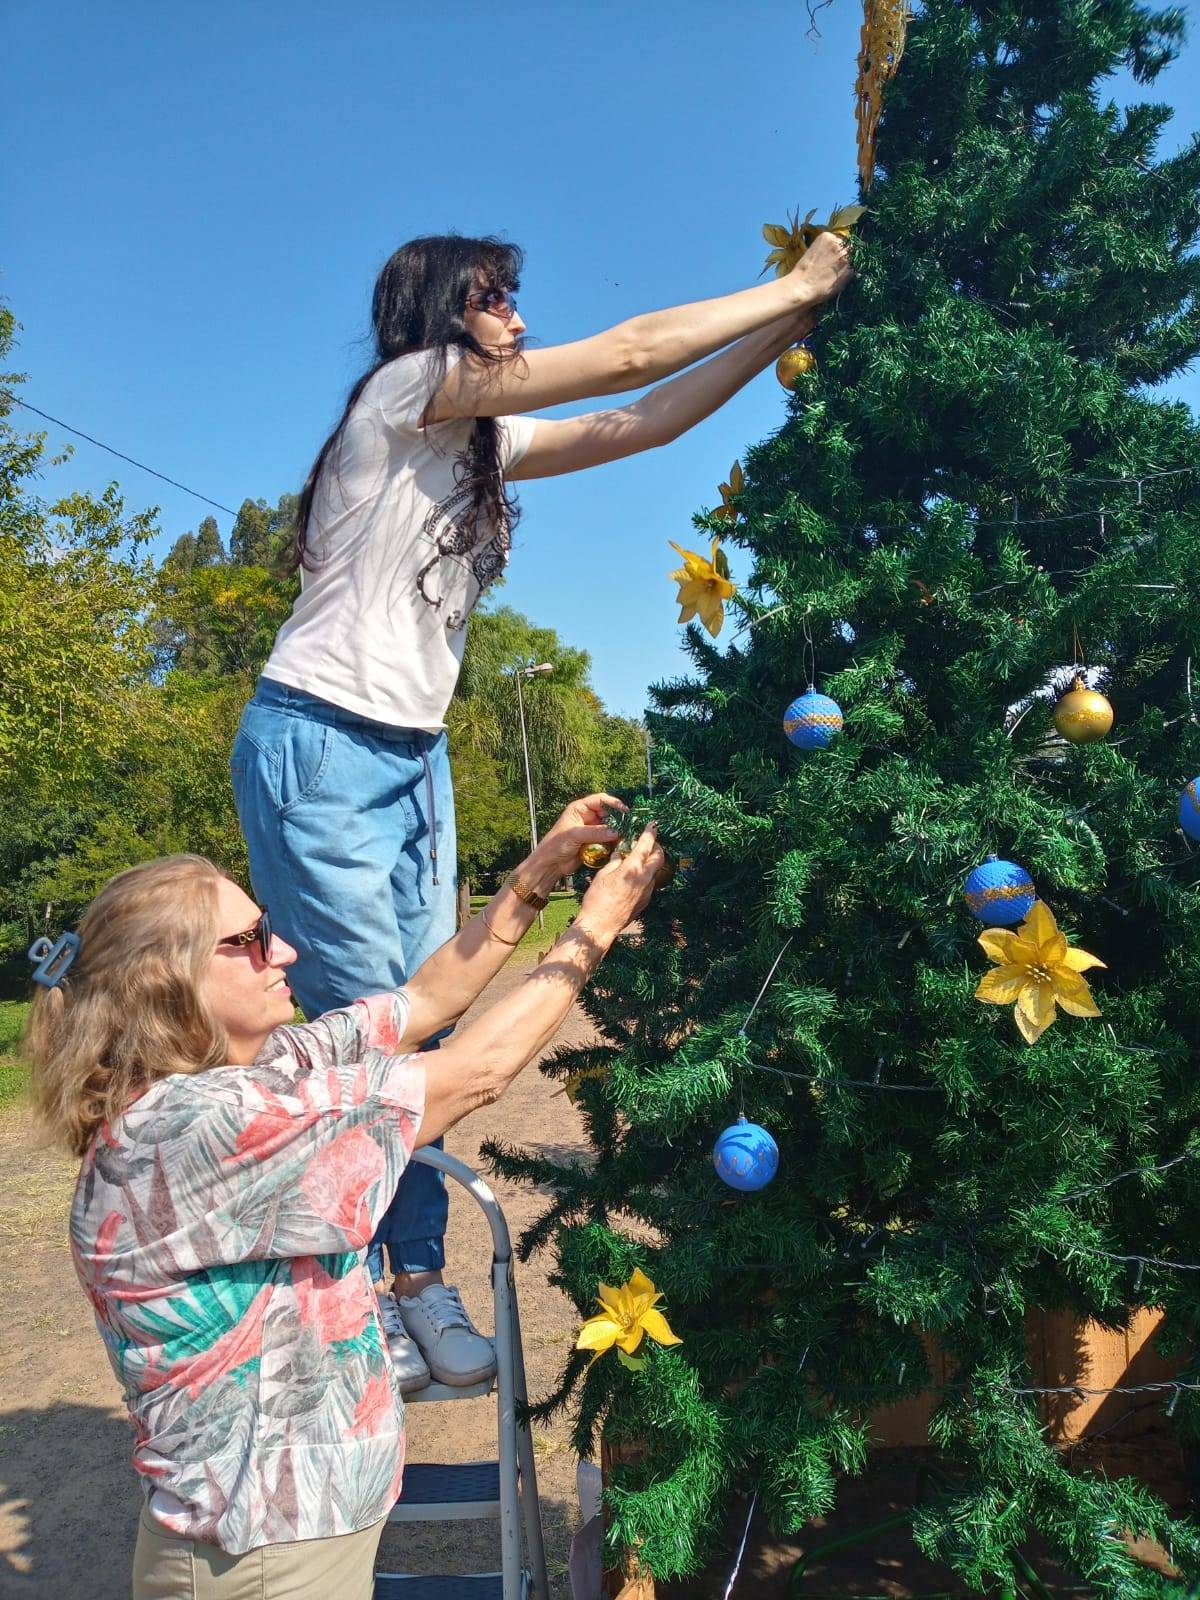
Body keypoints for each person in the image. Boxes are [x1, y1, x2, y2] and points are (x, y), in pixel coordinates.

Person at [231, 228, 853, 1390]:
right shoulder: (405, 392)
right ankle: (390, 1290)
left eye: (518, 298)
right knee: (377, 1025)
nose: (515, 316)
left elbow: (644, 419)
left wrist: (784, 328)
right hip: (318, 741)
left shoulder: (482, 444)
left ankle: (398, 1280)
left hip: (414, 758)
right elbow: (623, 358)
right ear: (436, 314)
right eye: (491, 299)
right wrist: (790, 280)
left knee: (431, 1018)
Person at [24, 801, 664, 1599]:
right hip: (261, 1561)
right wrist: (596, 925)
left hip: (291, 1541)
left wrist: (535, 881)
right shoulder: (193, 1128)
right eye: (252, 940)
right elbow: (472, 1074)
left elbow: (420, 1006)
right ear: (167, 980)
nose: (282, 949)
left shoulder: (244, 1073)